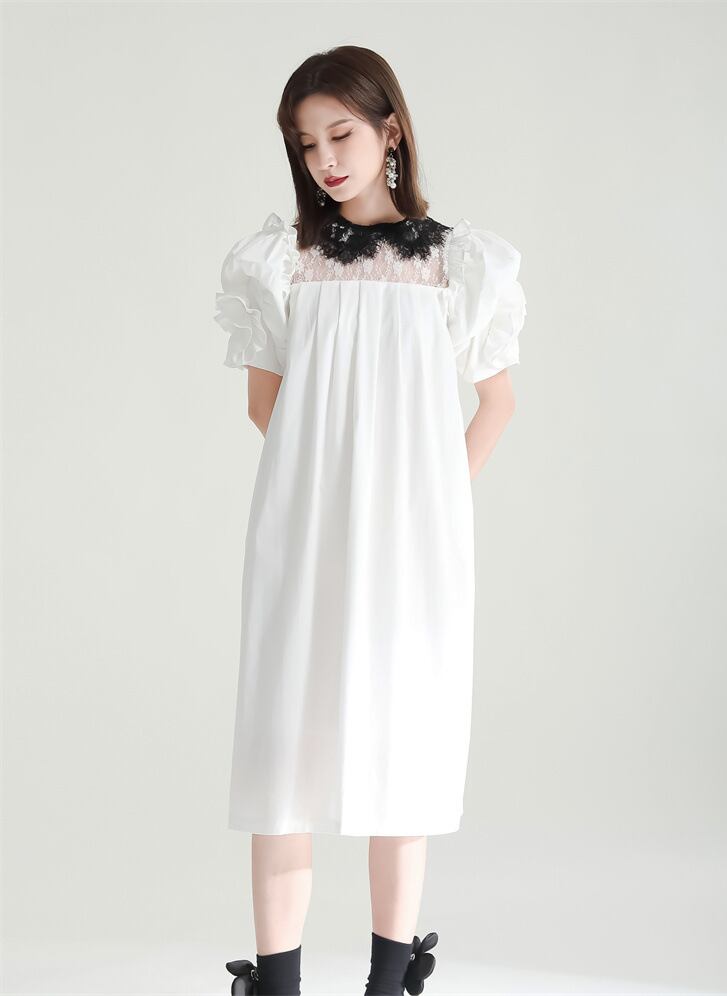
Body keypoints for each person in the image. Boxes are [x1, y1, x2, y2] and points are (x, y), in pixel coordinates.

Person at [213, 45, 527, 996]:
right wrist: (333, 482)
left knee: (403, 745)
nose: (325, 160)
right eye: (306, 145)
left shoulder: (457, 265)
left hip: (413, 545)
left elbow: (497, 403)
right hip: (305, 530)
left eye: (340, 135)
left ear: (391, 130)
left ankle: (390, 981)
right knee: (285, 750)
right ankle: (276, 984)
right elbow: (267, 405)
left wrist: (429, 499)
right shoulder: (283, 264)